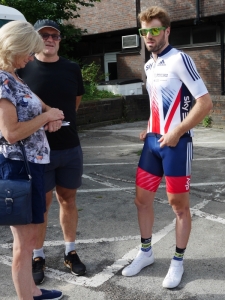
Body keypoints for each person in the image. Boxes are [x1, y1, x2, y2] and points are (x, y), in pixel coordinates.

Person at [121, 6, 213, 289]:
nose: (149, 35)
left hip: (177, 144)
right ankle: (146, 253)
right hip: (153, 143)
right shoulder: (149, 65)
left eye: (155, 29)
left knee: (179, 207)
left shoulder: (180, 59)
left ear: (167, 30)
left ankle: (177, 261)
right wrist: (150, 127)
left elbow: (205, 103)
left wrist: (177, 131)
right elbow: (157, 103)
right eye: (144, 31)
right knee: (141, 201)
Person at [17, 19, 86, 285]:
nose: (49, 39)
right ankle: (38, 256)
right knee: (41, 207)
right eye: (43, 34)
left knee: (68, 200)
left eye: (54, 35)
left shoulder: (71, 68)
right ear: (34, 38)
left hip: (69, 147)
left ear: (60, 40)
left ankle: (71, 251)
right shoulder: (23, 69)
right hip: (36, 151)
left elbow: (74, 103)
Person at [0, 20, 64, 299]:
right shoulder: (2, 79)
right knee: (24, 243)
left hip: (30, 165)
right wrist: (46, 118)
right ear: (16, 46)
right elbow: (10, 133)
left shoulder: (14, 77)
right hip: (18, 167)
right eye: (29, 51)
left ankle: (33, 292)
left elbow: (35, 109)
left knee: (27, 241)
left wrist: (50, 116)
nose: (30, 58)